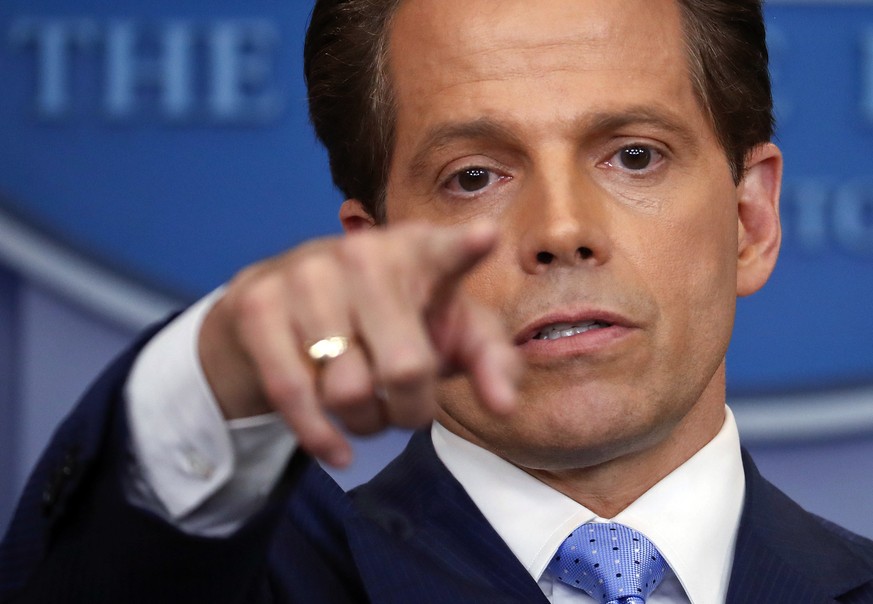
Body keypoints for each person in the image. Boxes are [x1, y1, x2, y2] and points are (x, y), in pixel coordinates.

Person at [2, 0, 873, 602]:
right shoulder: (276, 584)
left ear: (749, 219)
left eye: (634, 156)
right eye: (474, 177)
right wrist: (217, 373)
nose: (562, 229)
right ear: (378, 258)